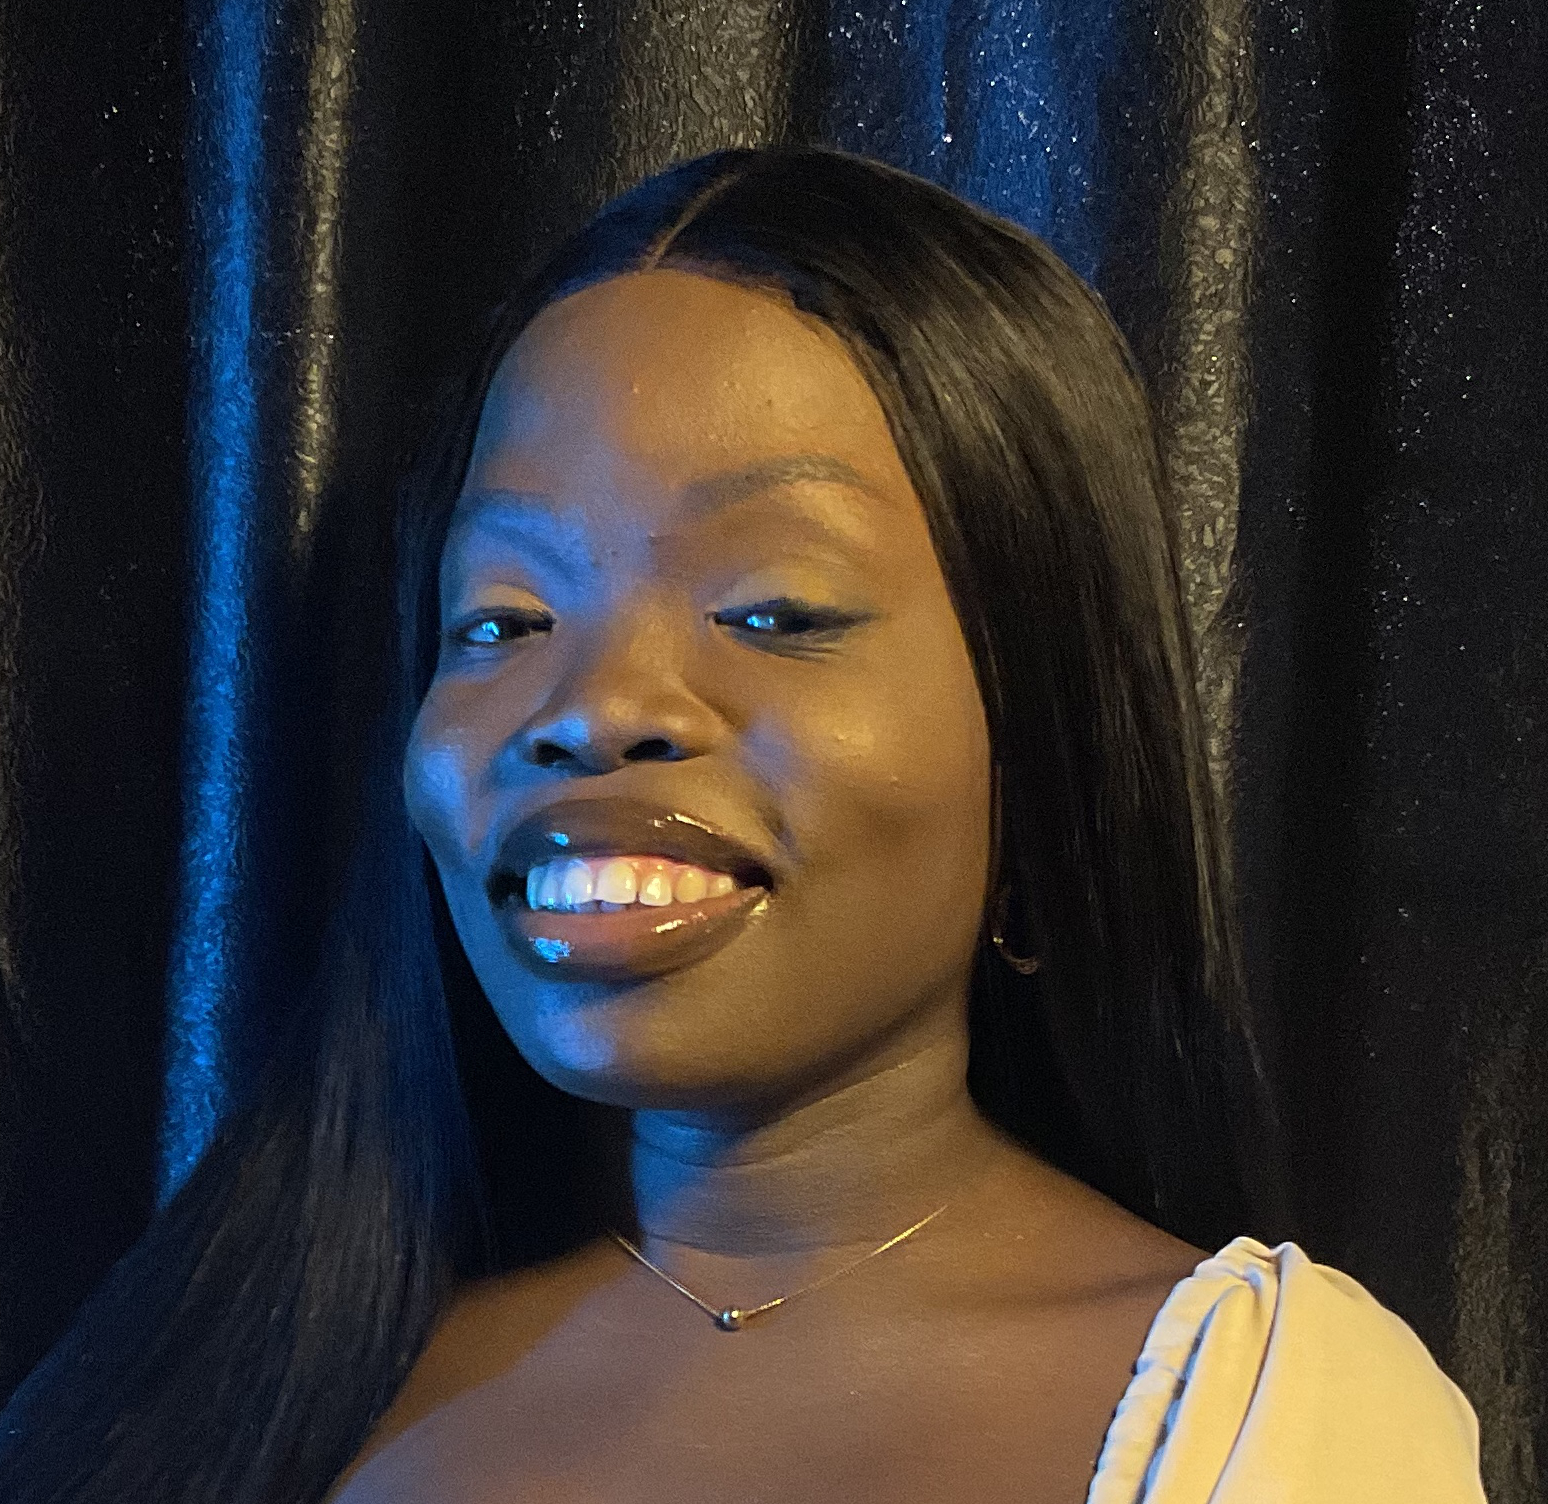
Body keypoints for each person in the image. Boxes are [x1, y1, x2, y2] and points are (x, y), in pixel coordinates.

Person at [0, 147, 1485, 1503]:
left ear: (1042, 737)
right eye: (503, 619)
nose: (594, 708)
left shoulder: (1269, 1414)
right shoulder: (235, 1383)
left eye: (775, 609)